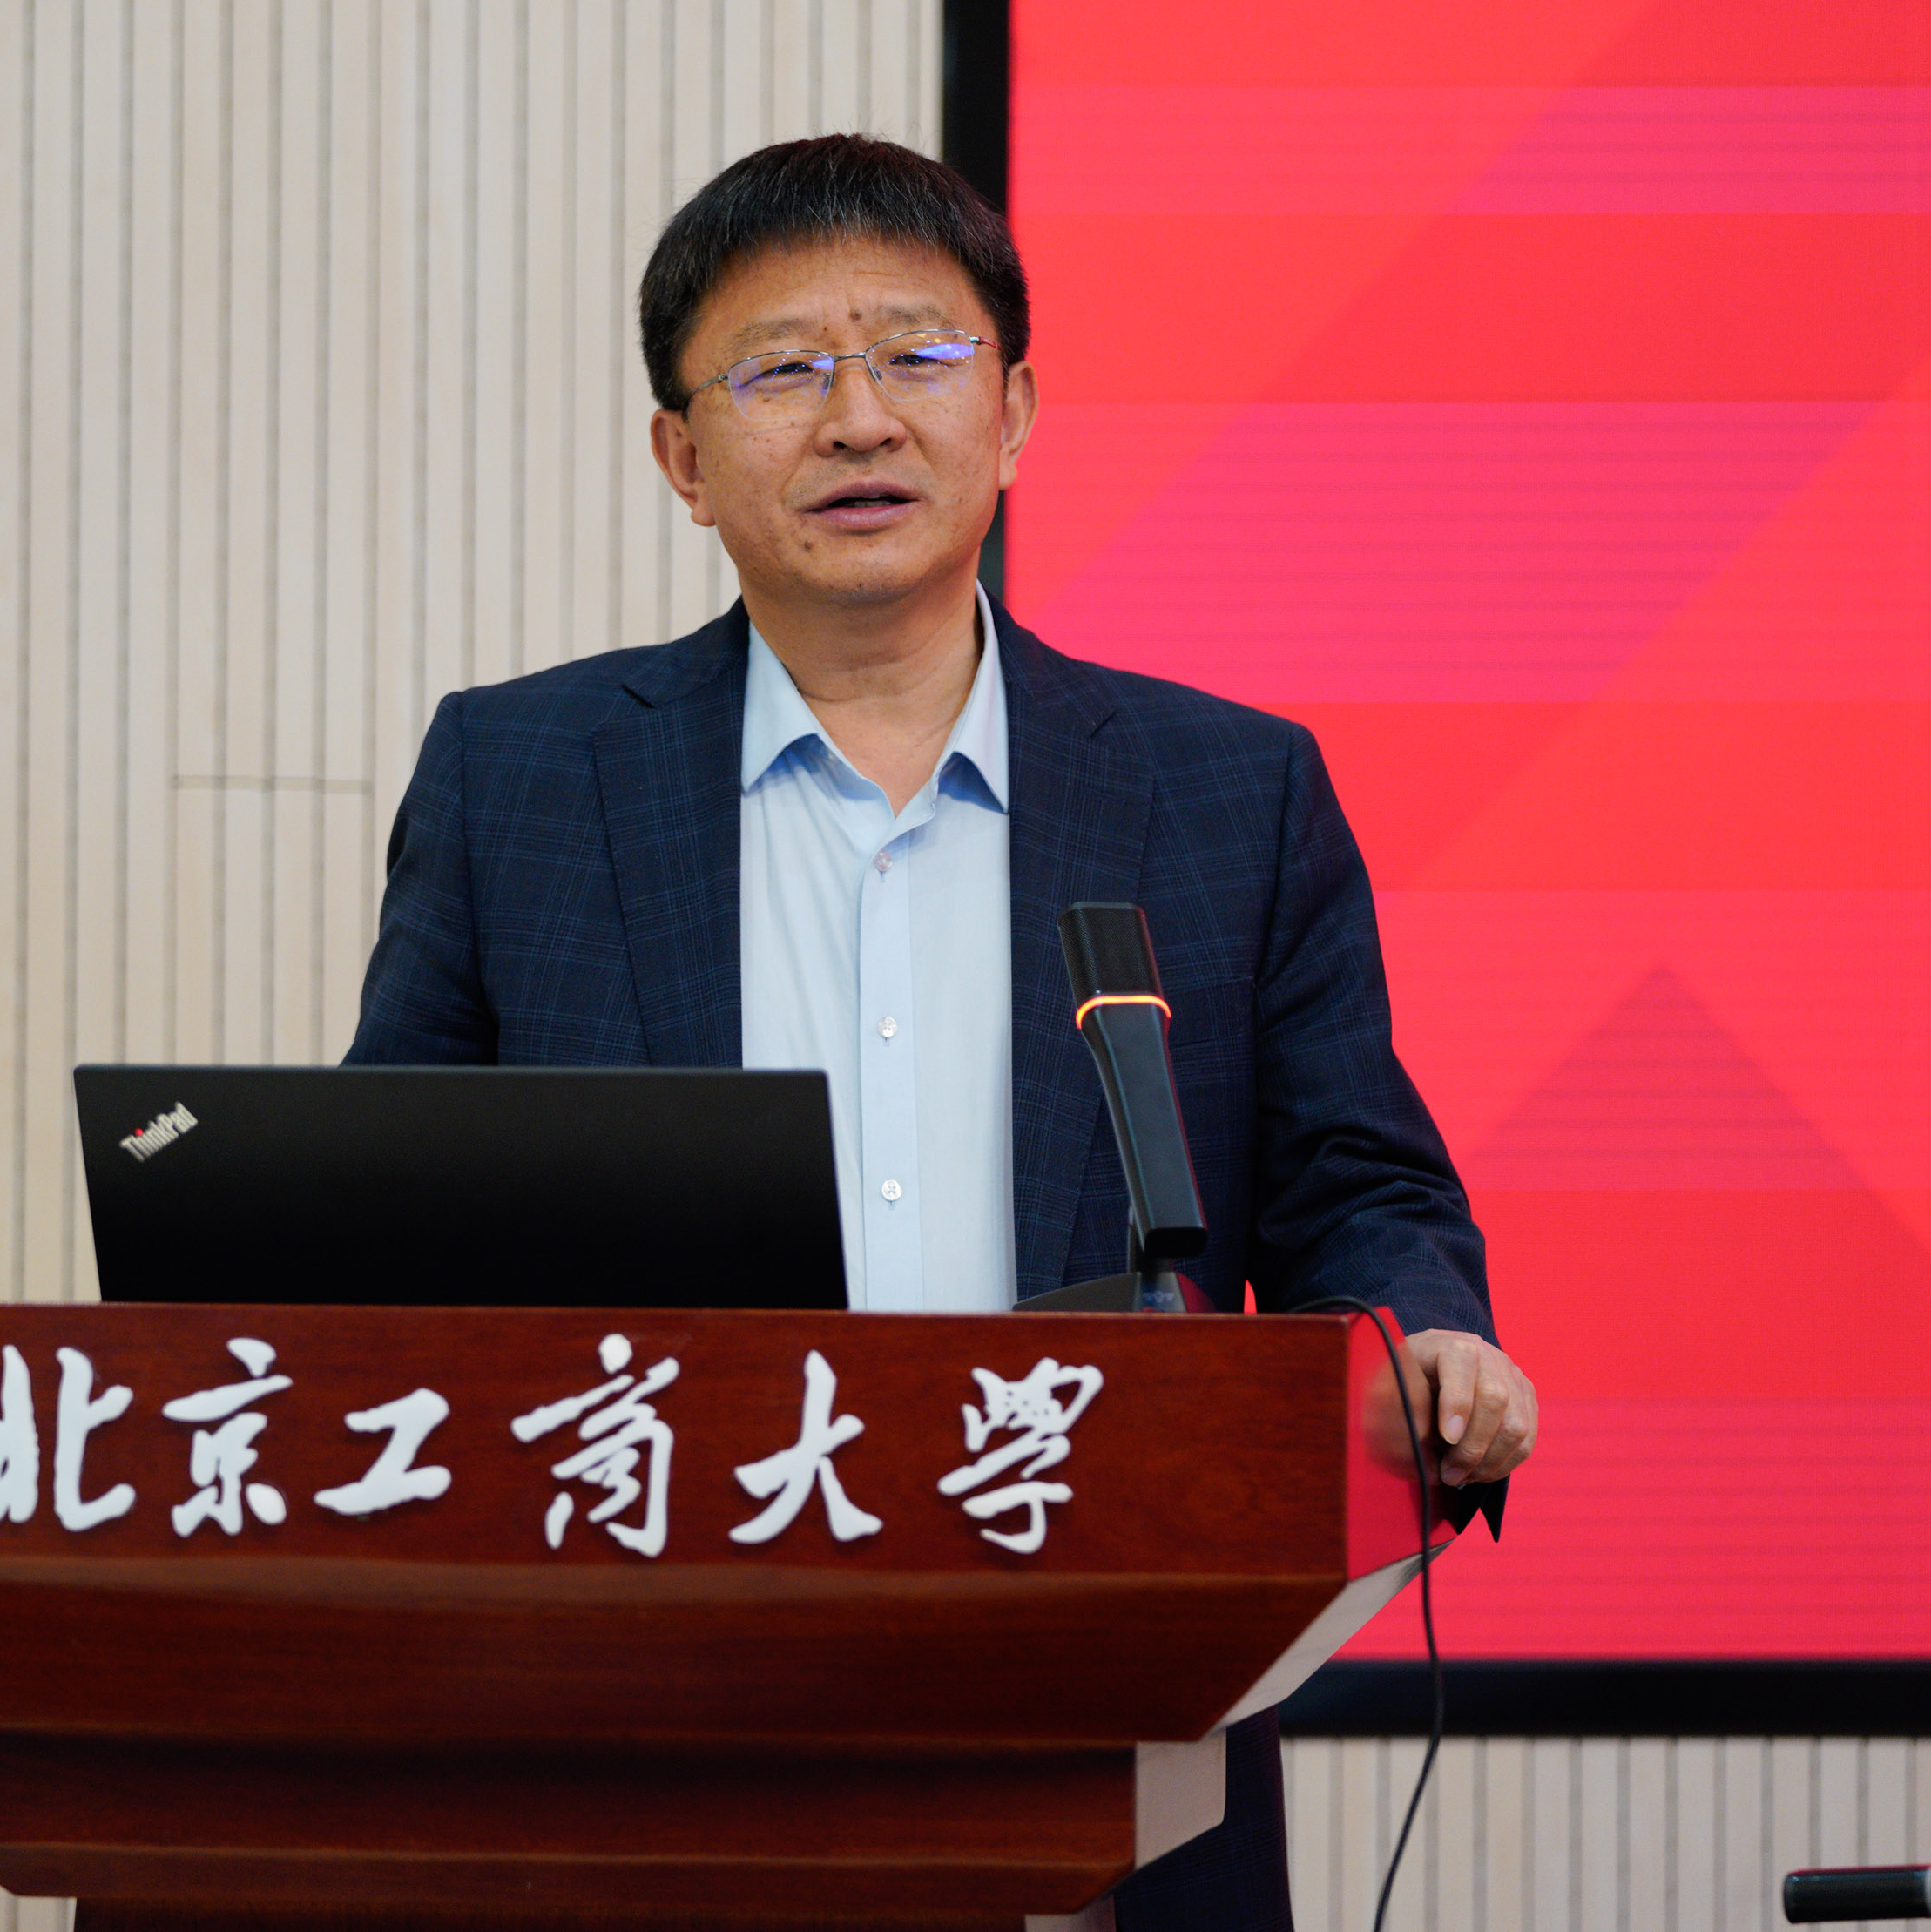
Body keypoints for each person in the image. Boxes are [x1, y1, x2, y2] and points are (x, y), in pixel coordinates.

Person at [347, 133, 1536, 1929]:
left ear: (1014, 411)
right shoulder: (521, 778)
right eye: (781, 371)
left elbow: (1355, 1186)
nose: (858, 419)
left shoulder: (1228, 790)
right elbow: (384, 1221)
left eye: (915, 354)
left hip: (1112, 1701)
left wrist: (1421, 1335)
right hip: (642, 1715)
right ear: (682, 459)